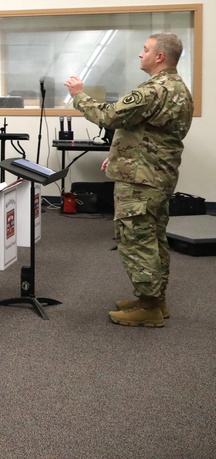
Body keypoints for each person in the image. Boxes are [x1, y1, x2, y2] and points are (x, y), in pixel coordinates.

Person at [64, 32, 193, 327]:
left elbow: (110, 117)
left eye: (145, 50)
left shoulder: (153, 90)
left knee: (136, 238)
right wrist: (122, 154)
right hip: (156, 174)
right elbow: (155, 134)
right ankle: (156, 300)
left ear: (159, 56)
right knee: (155, 237)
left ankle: (148, 309)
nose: (140, 54)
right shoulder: (178, 88)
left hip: (141, 180)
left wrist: (79, 96)